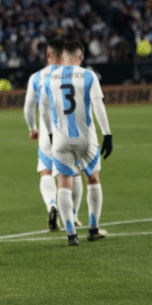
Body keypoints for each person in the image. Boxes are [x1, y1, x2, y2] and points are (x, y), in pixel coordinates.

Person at [40, 41, 112, 246]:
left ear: (62, 58)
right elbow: (98, 106)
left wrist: (52, 135)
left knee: (63, 182)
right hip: (86, 137)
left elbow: (43, 110)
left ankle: (71, 234)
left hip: (60, 138)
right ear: (80, 57)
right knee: (93, 178)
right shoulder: (88, 76)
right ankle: (93, 228)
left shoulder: (50, 78)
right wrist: (107, 134)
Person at [23, 38, 86, 231]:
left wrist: (32, 127)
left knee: (46, 172)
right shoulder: (76, 75)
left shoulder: (37, 77)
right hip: (71, 129)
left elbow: (28, 107)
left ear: (48, 55)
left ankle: (52, 205)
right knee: (73, 174)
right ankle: (73, 215)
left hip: (47, 132)